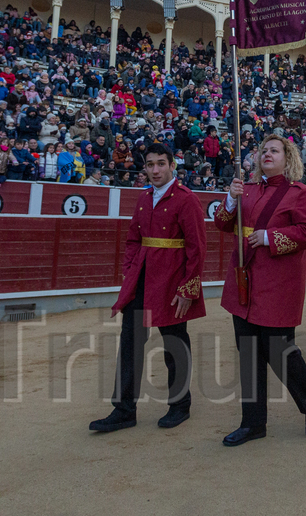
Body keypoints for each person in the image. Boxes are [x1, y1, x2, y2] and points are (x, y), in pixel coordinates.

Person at [213, 135, 306, 447]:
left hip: (278, 284)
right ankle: (253, 423)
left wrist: (271, 237)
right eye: (264, 151)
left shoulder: (300, 194)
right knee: (248, 354)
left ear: (288, 159)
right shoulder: (244, 189)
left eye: (274, 150)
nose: (267, 154)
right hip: (244, 282)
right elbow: (223, 224)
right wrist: (231, 201)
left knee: (281, 352)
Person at [89, 143, 207, 433]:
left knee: (174, 344)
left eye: (161, 164)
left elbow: (197, 249)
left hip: (171, 282)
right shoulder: (143, 199)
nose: (155, 170)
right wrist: (130, 271)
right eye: (150, 164)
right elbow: (133, 240)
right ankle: (124, 409)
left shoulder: (186, 199)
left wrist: (187, 289)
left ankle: (180, 405)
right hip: (142, 279)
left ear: (171, 165)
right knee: (130, 343)